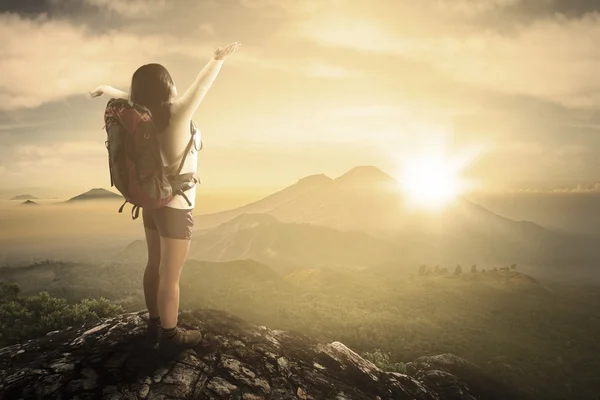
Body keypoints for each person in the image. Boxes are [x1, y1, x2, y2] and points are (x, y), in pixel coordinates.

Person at [90, 42, 241, 351]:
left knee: (154, 264)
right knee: (170, 277)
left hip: (151, 196)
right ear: (168, 87)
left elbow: (126, 96)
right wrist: (216, 59)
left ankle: (154, 321)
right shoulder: (178, 112)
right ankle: (171, 336)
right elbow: (202, 86)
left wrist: (107, 89)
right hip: (177, 204)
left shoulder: (139, 116)